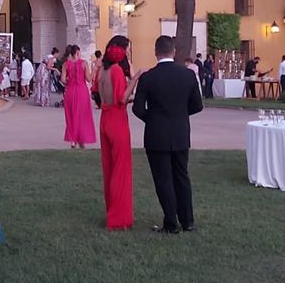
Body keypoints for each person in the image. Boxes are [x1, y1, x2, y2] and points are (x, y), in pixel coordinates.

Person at [133, 36, 203, 234]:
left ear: (156, 52)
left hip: (156, 134)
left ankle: (170, 222)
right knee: (182, 176)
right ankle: (188, 221)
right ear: (173, 52)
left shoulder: (148, 77)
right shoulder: (188, 75)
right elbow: (197, 106)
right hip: (180, 132)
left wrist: (154, 119)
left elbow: (138, 109)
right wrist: (179, 116)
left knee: (163, 179)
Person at [97, 36, 141, 230]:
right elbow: (123, 99)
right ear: (121, 51)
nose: (129, 53)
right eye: (127, 50)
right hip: (117, 120)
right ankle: (119, 218)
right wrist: (135, 78)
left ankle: (112, 212)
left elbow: (101, 95)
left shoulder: (102, 70)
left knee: (109, 167)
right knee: (121, 169)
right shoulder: (115, 71)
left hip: (105, 118)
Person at [63, 45, 96, 149]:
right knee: (82, 116)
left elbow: (63, 80)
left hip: (70, 91)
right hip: (82, 91)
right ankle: (81, 139)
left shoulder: (66, 64)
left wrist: (69, 81)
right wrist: (94, 69)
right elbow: (89, 79)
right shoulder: (84, 63)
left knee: (71, 115)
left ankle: (73, 140)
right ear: (77, 52)